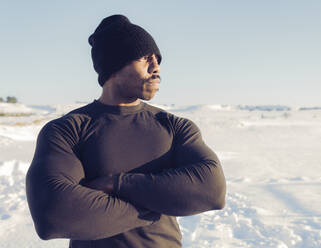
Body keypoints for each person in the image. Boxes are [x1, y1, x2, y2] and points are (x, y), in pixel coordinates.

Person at [26, 14, 226, 248]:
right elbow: (53, 212)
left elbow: (212, 189)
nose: (156, 68)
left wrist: (117, 183)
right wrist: (158, 203)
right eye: (145, 58)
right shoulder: (67, 131)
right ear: (114, 64)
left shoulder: (174, 126)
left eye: (158, 59)